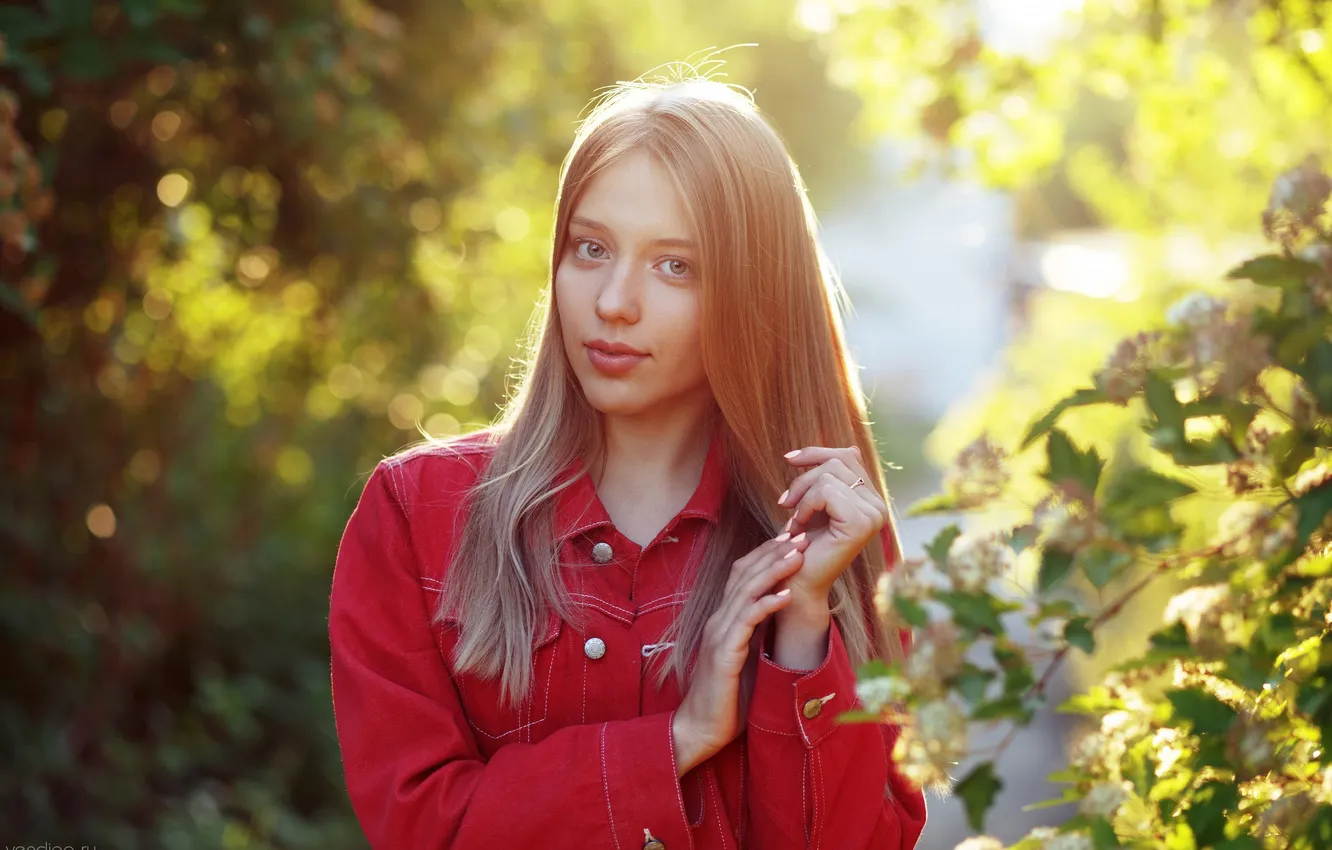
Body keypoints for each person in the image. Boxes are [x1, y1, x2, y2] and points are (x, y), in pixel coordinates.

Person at [328, 70, 927, 850]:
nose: (614, 300)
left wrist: (804, 631)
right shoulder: (416, 513)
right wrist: (674, 743)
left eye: (674, 265)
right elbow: (421, 832)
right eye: (592, 248)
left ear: (755, 293)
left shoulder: (832, 539)